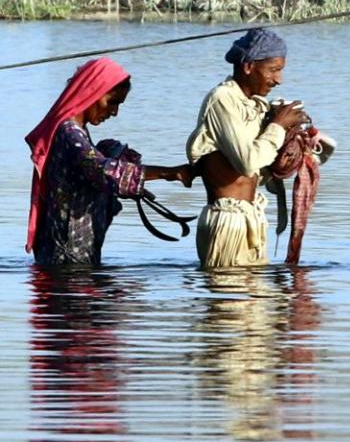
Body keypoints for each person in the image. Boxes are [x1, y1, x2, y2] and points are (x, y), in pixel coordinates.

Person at [26, 57, 195, 266]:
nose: (114, 112)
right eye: (112, 102)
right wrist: (168, 173)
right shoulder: (68, 132)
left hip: (74, 255)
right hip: (66, 258)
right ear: (92, 93)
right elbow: (101, 170)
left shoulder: (77, 132)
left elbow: (94, 169)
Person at [185, 28, 307, 269]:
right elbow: (247, 162)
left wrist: (293, 146)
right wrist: (278, 126)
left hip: (252, 218)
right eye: (273, 70)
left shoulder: (255, 105)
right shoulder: (222, 100)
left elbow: (255, 173)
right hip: (227, 221)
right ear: (249, 66)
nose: (278, 80)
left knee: (255, 305)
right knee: (230, 303)